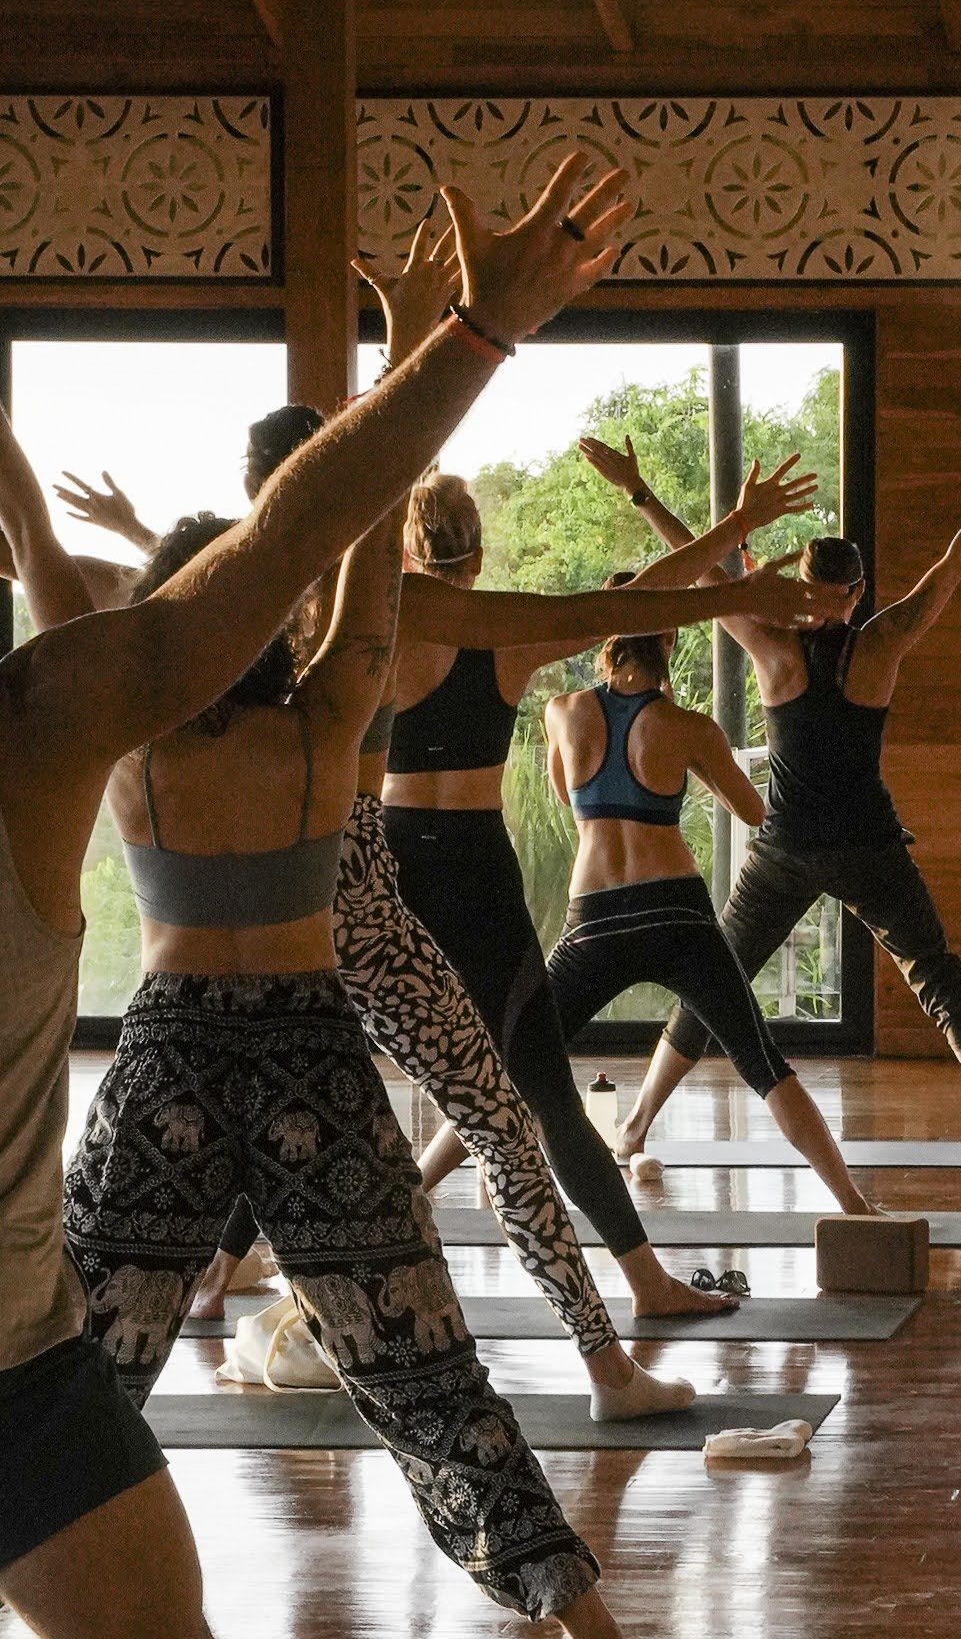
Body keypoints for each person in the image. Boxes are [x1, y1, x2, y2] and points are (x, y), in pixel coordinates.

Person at [0, 154, 625, 1639]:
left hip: (59, 1315)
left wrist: (448, 350)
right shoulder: (62, 726)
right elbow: (287, 559)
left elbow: (287, 562)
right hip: (42, 1334)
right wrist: (460, 340)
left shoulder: (72, 725)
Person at [83, 369, 836, 1404]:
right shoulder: (381, 606)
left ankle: (172, 1324)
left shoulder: (240, 599)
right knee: (506, 1126)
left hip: (278, 904)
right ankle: (607, 1359)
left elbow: (125, 591)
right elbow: (610, 606)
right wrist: (736, 583)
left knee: (241, 1112)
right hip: (382, 887)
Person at [382, 470, 853, 1272]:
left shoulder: (540, 700)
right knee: (725, 1065)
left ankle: (391, 1205)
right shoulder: (526, 643)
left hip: (511, 892)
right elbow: (627, 608)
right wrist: (735, 526)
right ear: (480, 551)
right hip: (626, 898)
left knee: (468, 1067)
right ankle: (836, 1212)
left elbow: (572, 783)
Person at [592, 417, 961, 1163]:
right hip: (866, 847)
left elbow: (701, 571)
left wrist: (641, 490)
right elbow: (955, 561)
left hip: (789, 849)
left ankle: (637, 1125)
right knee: (939, 981)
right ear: (857, 592)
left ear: (810, 589)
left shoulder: (770, 642)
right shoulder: (882, 639)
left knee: (720, 980)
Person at [524, 620, 875, 1210]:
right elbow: (751, 810)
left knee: (517, 1058)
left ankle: (422, 1187)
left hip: (595, 917)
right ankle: (855, 1205)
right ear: (667, 645)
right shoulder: (689, 728)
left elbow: (564, 792)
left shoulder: (561, 710)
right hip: (675, 915)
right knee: (763, 1063)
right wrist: (697, 764)